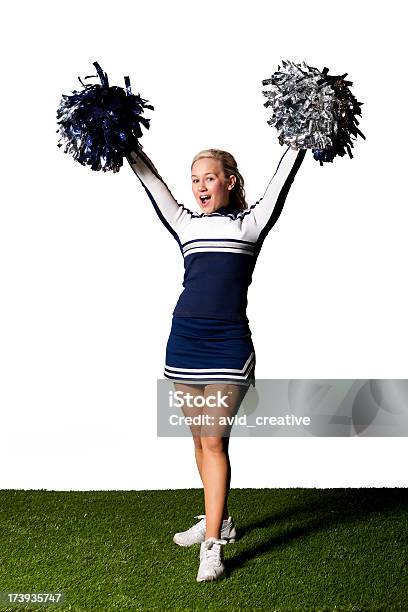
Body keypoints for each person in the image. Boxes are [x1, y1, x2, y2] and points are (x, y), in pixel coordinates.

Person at [126, 142, 306, 581]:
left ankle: (213, 545)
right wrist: (124, 141)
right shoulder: (185, 224)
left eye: (209, 177)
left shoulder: (251, 224)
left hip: (227, 347)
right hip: (184, 343)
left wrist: (304, 132)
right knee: (197, 439)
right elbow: (152, 180)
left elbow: (283, 178)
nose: (200, 186)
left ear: (230, 181)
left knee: (214, 442)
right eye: (194, 179)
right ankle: (218, 519)